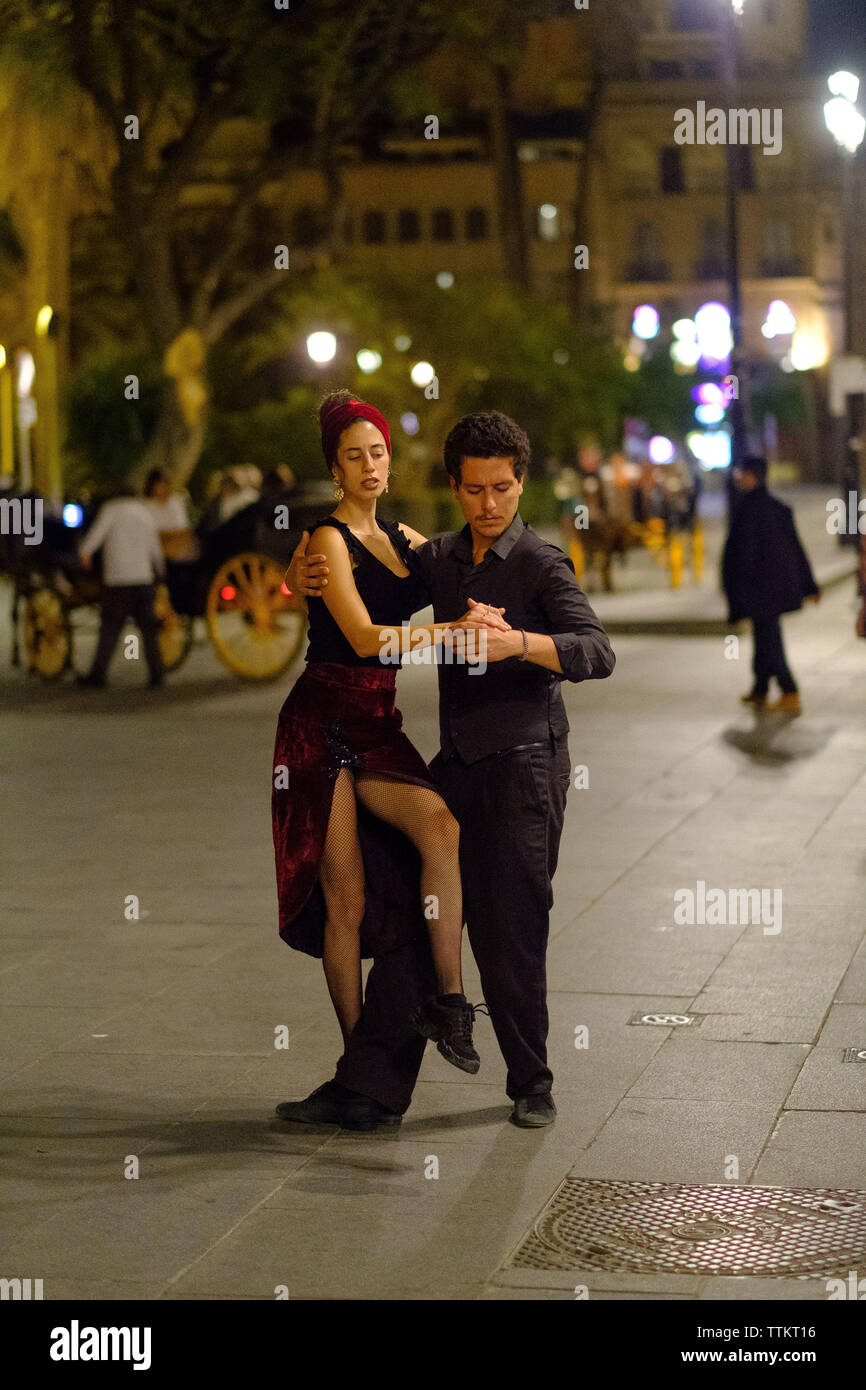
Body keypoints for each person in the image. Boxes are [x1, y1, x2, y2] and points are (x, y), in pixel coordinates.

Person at [281, 409, 615, 1131]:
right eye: (473, 490)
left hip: (526, 766)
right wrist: (296, 568)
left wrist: (518, 643)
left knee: (509, 927)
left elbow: (596, 651)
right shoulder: (440, 559)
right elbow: (363, 578)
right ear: (455, 488)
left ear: (521, 483)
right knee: (404, 921)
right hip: (455, 760)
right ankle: (367, 1088)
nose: (488, 505)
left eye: (501, 488)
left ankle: (533, 1082)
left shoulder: (539, 563)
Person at [272, 391, 509, 1123]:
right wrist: (444, 635)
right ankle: (358, 1068)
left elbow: (450, 568)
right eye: (354, 456)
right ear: (335, 470)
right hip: (320, 721)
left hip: (376, 721)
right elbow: (371, 638)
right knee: (345, 901)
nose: (370, 465)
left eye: (377, 452)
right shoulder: (328, 538)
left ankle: (449, 1001)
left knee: (441, 828)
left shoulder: (401, 538)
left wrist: (486, 617)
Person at [722, 455, 820, 715]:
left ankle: (789, 690)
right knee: (764, 637)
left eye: (742, 474)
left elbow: (743, 554)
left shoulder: (750, 510)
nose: (739, 478)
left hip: (760, 589)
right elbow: (797, 547)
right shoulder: (776, 508)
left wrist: (735, 587)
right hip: (771, 588)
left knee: (769, 640)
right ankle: (760, 688)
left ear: (753, 476)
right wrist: (809, 585)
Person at [75, 485, 166, 688]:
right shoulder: (144, 512)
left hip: (118, 580)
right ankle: (157, 673)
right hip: (143, 578)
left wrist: (84, 553)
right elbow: (154, 547)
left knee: (110, 629)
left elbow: (95, 538)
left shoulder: (111, 510)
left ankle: (98, 675)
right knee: (148, 629)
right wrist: (160, 571)